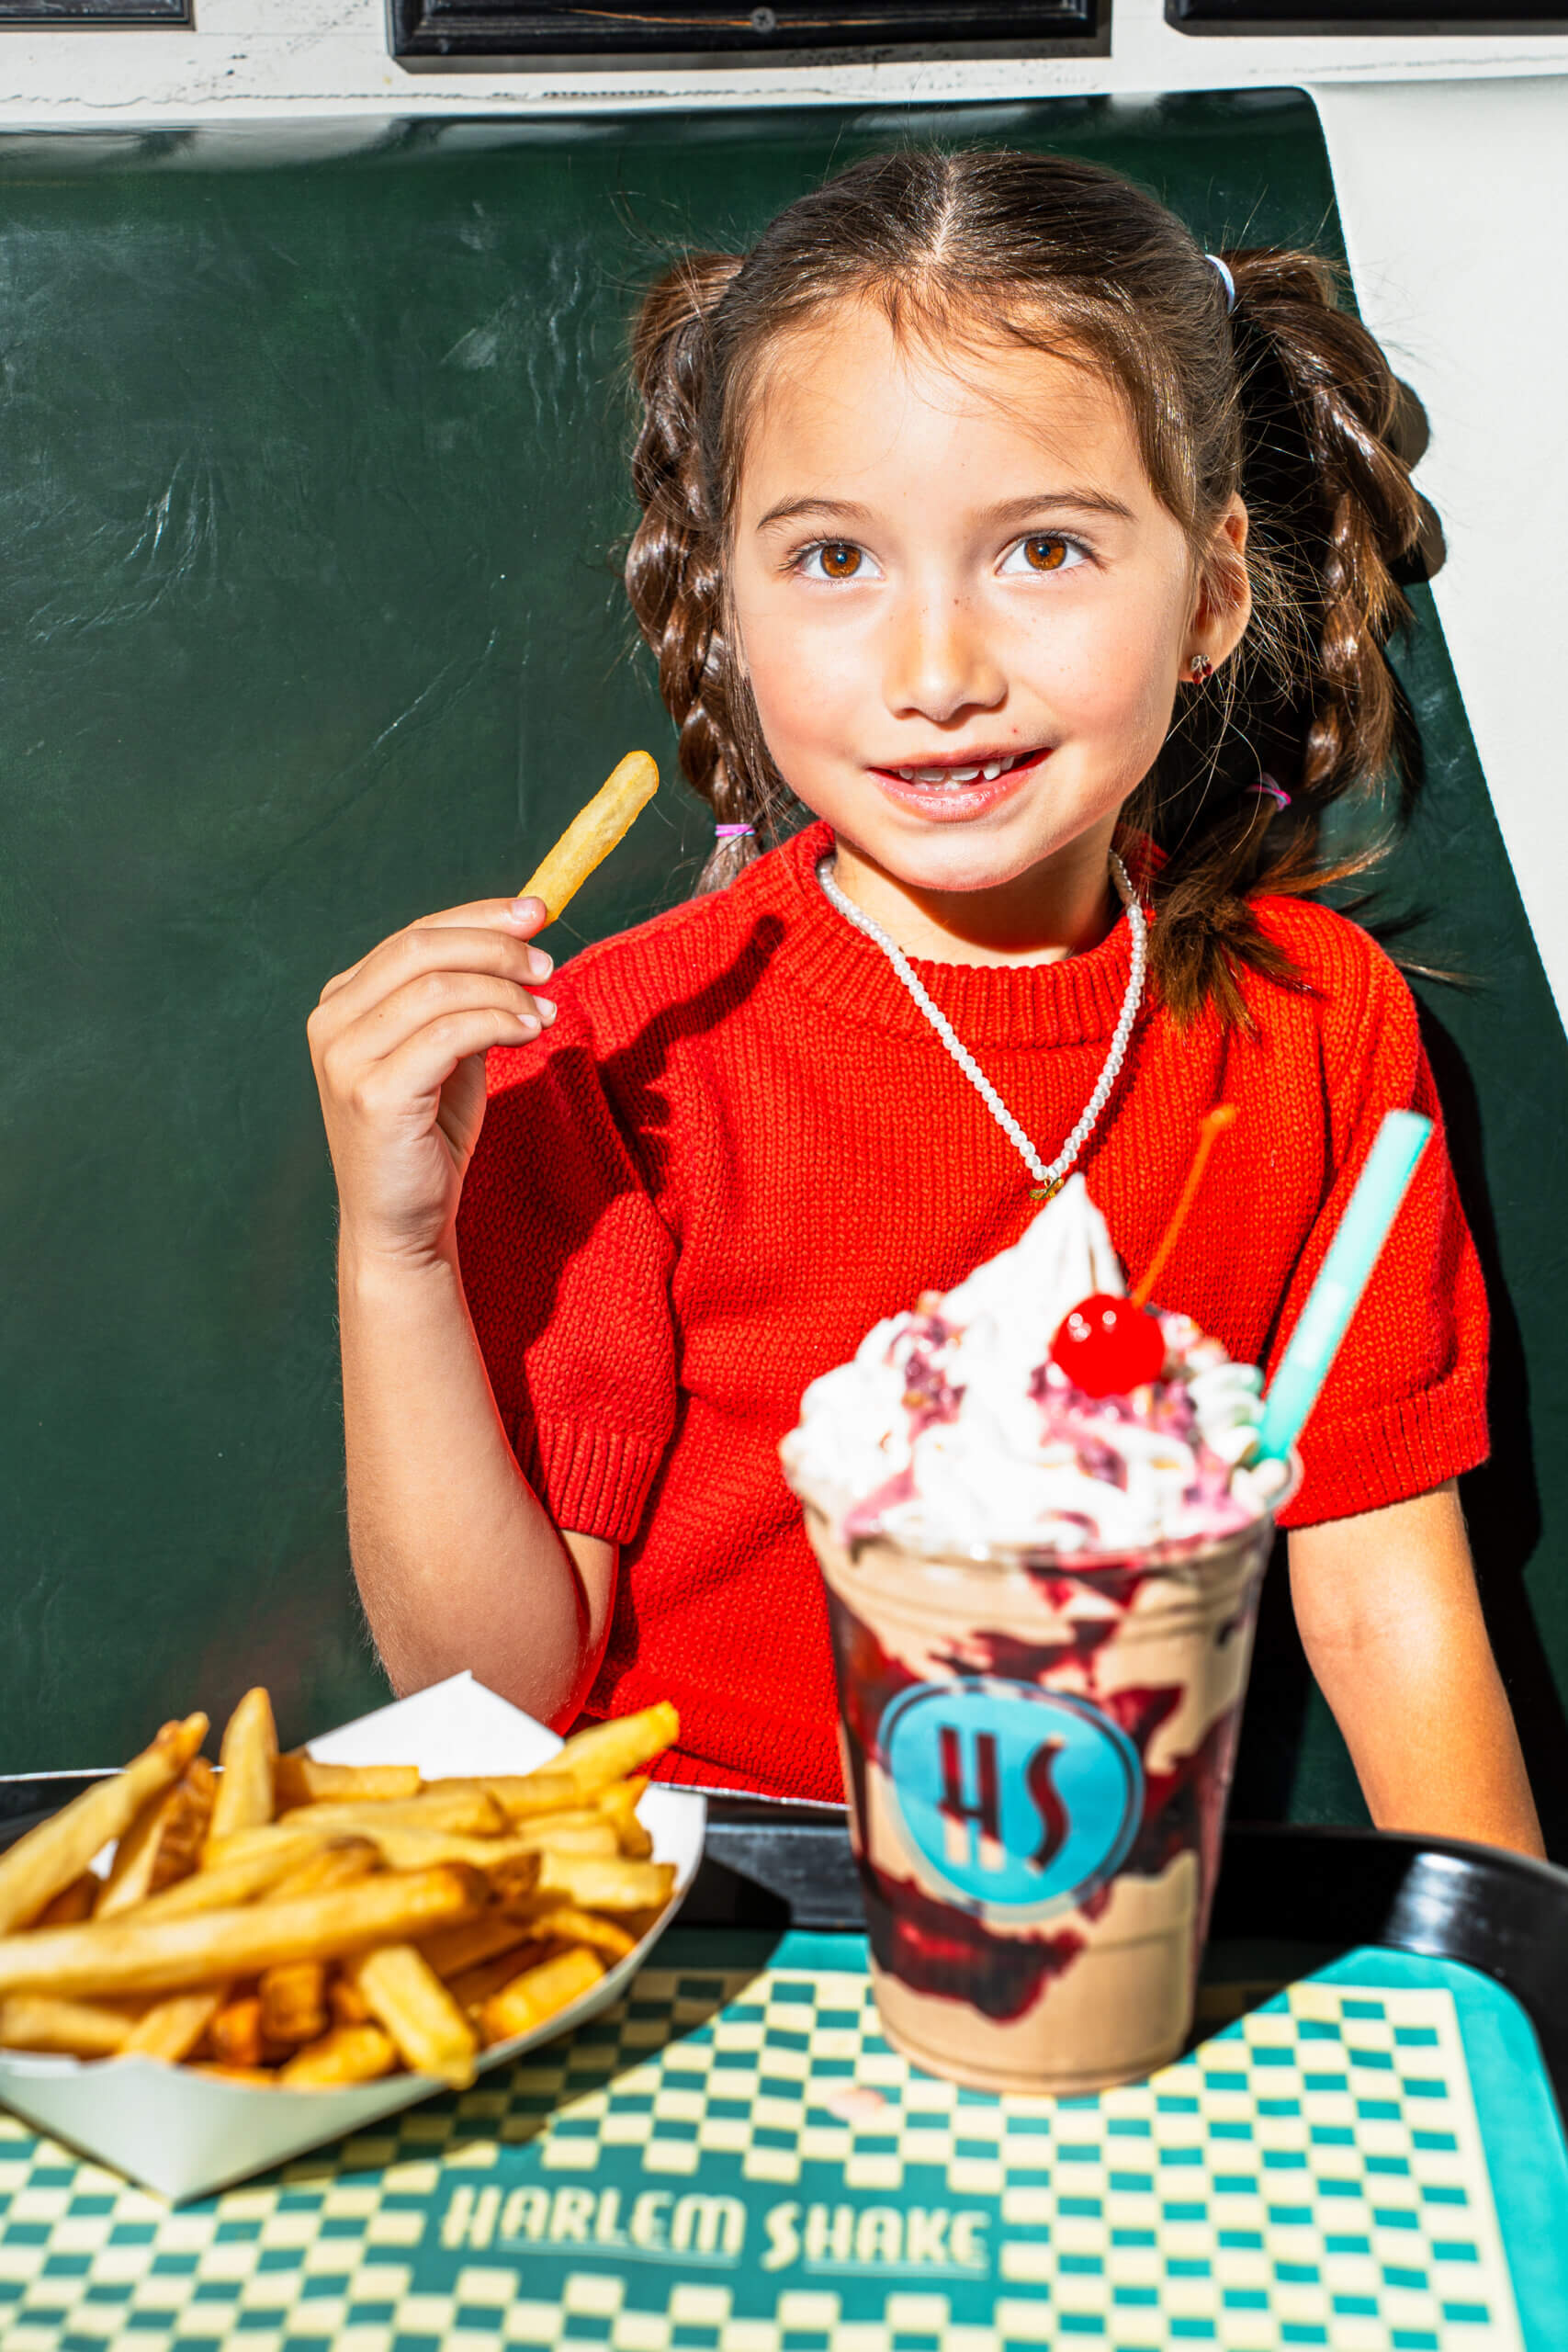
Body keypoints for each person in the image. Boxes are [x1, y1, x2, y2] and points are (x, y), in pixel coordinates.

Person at [309, 148, 1542, 1855]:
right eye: (832, 561)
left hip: (1101, 1904)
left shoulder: (1318, 1027)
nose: (938, 671)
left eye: (1042, 548)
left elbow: (1392, 1619)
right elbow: (499, 1695)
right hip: (695, 1920)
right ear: (726, 599)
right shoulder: (617, 1053)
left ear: (1216, 590)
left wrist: (1500, 2008)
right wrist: (399, 1253)